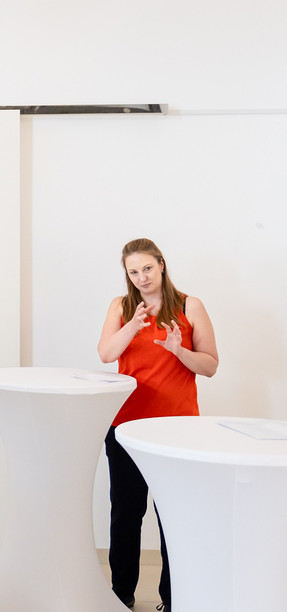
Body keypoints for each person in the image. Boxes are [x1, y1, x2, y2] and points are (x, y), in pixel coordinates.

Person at [97, 238, 219, 612]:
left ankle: (173, 599)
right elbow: (105, 354)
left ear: (161, 264)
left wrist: (179, 350)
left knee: (174, 517)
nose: (142, 277)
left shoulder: (189, 305)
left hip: (178, 429)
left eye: (147, 268)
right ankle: (121, 594)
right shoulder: (122, 307)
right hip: (126, 427)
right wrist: (132, 326)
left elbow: (210, 366)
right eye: (134, 272)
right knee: (126, 515)